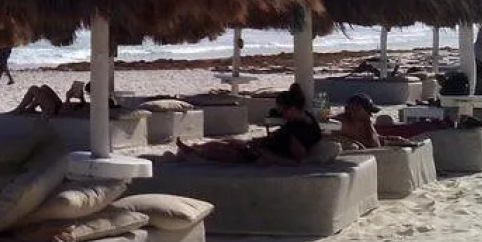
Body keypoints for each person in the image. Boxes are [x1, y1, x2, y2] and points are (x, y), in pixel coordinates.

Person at [177, 84, 322, 164]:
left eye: (283, 111)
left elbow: (297, 157)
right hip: (262, 147)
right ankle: (195, 148)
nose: (282, 115)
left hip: (263, 155)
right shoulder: (301, 119)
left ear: (292, 109)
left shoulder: (300, 130)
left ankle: (195, 152)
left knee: (225, 151)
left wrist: (266, 155)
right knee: (229, 141)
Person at [336, 94, 414, 150]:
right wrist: (368, 123)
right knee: (353, 146)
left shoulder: (360, 122)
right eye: (368, 111)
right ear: (356, 109)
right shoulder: (341, 123)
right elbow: (374, 145)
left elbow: (376, 140)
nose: (370, 115)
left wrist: (395, 140)